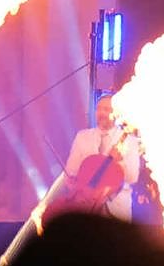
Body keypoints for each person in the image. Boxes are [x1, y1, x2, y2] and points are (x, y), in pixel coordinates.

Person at [60, 91, 142, 221]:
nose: (101, 113)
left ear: (116, 114)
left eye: (107, 109)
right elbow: (71, 171)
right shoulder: (83, 136)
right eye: (99, 109)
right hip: (85, 209)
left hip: (117, 213)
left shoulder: (129, 141)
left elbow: (132, 177)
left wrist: (116, 163)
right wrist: (73, 183)